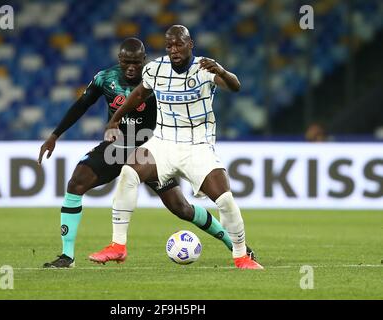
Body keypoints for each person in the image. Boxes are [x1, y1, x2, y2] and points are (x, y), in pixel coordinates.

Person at [38, 38, 255, 268]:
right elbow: (82, 105)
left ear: (144, 60)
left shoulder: (158, 76)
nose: (131, 67)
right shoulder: (105, 78)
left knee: (181, 208)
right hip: (117, 146)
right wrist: (55, 135)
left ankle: (234, 245)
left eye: (136, 63)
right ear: (119, 60)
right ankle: (67, 256)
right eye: (126, 62)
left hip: (150, 149)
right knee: (76, 184)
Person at [98, 27, 263, 269]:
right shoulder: (155, 69)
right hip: (163, 143)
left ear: (190, 44)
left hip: (198, 146)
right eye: (169, 46)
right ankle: (118, 246)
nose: (173, 50)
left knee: (225, 200)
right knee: (129, 173)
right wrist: (114, 120)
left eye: (178, 44)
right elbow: (138, 95)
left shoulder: (205, 67)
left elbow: (235, 86)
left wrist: (222, 71)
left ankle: (240, 256)